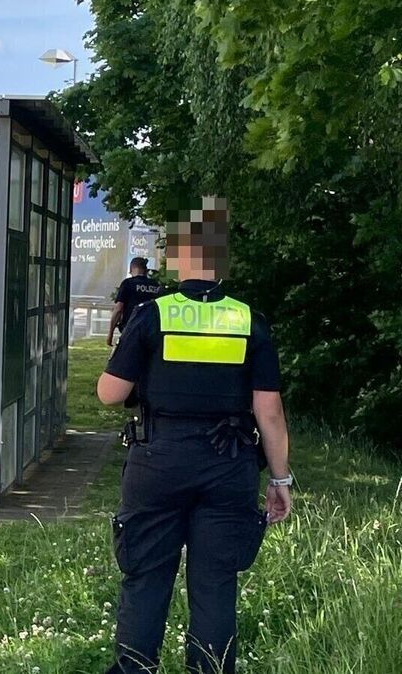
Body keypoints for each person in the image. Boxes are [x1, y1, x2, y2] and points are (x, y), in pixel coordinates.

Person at [95, 197, 292, 674]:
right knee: (215, 580)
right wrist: (280, 481)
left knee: (145, 576)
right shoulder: (250, 322)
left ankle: (136, 668)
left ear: (178, 258)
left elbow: (108, 393)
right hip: (228, 464)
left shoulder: (152, 315)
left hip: (158, 461)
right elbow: (269, 413)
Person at [107, 256, 163, 347]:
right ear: (145, 269)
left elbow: (118, 309)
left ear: (131, 269)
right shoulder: (155, 285)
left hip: (131, 330)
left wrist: (110, 334)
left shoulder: (128, 283)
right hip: (151, 330)